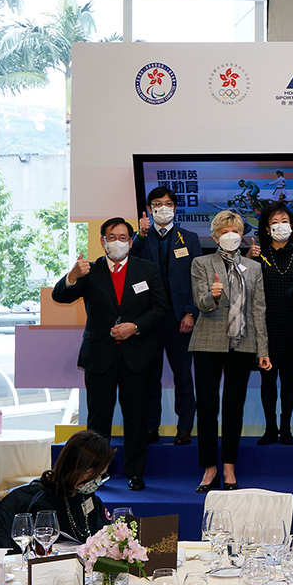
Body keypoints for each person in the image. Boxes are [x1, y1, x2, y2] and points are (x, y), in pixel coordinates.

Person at [51, 217, 168, 491]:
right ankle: (93, 473)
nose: (118, 242)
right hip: (99, 355)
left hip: (137, 355)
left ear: (131, 240)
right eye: (112, 237)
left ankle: (135, 472)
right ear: (103, 241)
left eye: (123, 237)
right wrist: (72, 275)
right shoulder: (89, 270)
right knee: (98, 420)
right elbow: (60, 296)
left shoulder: (147, 269)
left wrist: (135, 327)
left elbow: (161, 308)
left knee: (136, 417)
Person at [189, 211, 270, 493]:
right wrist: (212, 295)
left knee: (233, 408)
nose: (231, 235)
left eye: (235, 230)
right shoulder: (201, 263)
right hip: (208, 342)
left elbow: (259, 310)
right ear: (215, 236)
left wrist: (263, 349)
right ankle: (210, 467)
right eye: (225, 231)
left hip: (243, 343)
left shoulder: (253, 267)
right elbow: (200, 303)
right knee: (207, 407)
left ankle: (229, 467)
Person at [130, 187, 199, 446]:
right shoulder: (141, 239)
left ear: (175, 207)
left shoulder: (188, 238)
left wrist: (191, 312)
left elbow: (197, 279)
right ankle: (150, 427)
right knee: (150, 376)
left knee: (183, 375)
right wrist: (139, 235)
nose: (163, 208)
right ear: (149, 209)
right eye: (157, 204)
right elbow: (129, 264)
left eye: (168, 203)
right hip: (149, 319)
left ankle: (184, 428)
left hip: (180, 318)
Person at [0, 430, 115, 549]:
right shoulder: (45, 504)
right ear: (76, 469)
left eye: (102, 475)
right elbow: (42, 551)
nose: (98, 480)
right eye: (95, 475)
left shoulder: (87, 496)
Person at [253, 204, 293, 446]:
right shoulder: (257, 254)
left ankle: (285, 428)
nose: (280, 225)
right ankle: (270, 427)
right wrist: (247, 259)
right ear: (266, 227)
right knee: (267, 380)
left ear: (292, 226)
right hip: (265, 327)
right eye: (275, 221)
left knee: (288, 379)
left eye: (285, 220)